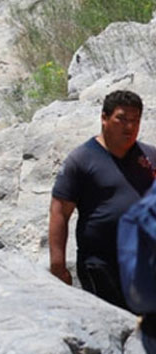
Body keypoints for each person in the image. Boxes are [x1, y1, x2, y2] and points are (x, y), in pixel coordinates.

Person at [50, 89, 156, 310]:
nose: (129, 127)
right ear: (104, 118)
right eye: (121, 119)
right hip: (101, 266)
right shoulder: (81, 160)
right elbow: (59, 211)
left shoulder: (150, 156)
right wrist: (58, 265)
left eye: (134, 120)